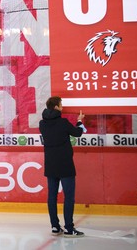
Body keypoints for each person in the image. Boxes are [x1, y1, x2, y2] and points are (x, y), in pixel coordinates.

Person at [39, 96, 86, 237]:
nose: (63, 107)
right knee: (69, 197)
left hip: (50, 164)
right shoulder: (63, 122)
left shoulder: (42, 124)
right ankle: (69, 229)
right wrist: (79, 121)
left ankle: (55, 226)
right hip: (65, 164)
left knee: (52, 197)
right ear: (56, 107)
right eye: (61, 105)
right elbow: (77, 133)